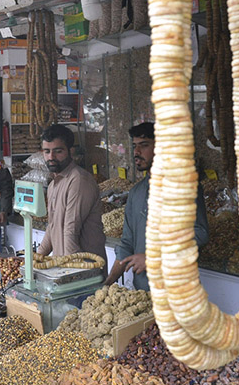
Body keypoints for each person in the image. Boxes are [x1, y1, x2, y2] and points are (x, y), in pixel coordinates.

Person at [105, 122, 210, 290]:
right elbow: (127, 242)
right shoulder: (136, 192)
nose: (137, 152)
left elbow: (200, 233)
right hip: (143, 290)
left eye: (144, 145)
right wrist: (109, 280)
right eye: (134, 146)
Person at [38, 124, 106, 269]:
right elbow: (52, 226)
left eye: (58, 151)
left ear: (71, 151)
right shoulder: (53, 185)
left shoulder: (79, 180)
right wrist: (37, 259)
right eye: (47, 151)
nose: (51, 157)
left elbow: (71, 229)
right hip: (64, 265)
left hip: (84, 269)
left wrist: (72, 273)